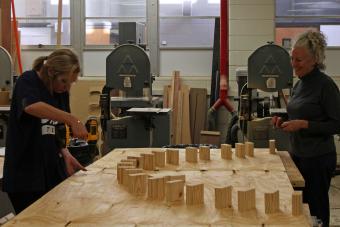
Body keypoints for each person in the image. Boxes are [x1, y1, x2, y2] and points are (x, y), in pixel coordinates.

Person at [2, 49, 89, 214]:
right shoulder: (27, 80)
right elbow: (32, 106)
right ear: (50, 72)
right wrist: (72, 119)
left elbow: (56, 127)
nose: (66, 87)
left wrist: (65, 153)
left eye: (70, 83)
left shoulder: (60, 92)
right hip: (25, 176)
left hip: (49, 172)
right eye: (64, 81)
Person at [272, 31, 340, 227]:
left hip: (318, 159)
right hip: (298, 156)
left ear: (314, 60)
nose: (293, 64)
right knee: (300, 209)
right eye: (292, 59)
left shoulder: (326, 86)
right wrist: (283, 119)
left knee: (316, 210)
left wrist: (303, 125)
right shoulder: (300, 84)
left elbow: (336, 124)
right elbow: (298, 112)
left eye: (299, 60)